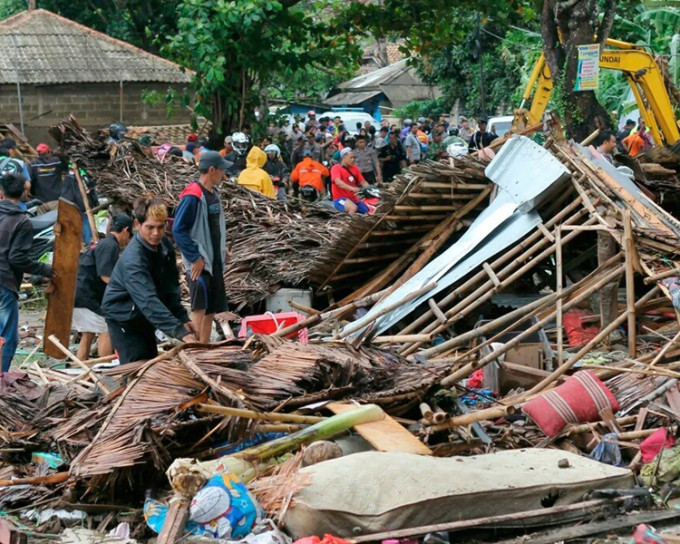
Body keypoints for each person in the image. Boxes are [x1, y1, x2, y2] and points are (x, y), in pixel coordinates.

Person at [102, 196, 196, 364]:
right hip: (124, 316)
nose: (156, 233)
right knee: (135, 366)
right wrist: (180, 332)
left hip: (144, 315)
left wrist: (182, 318)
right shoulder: (133, 259)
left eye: (160, 227)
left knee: (150, 362)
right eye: (150, 227)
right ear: (137, 225)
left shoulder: (164, 245)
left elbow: (170, 288)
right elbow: (148, 300)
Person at [173, 152, 229, 344]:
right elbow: (178, 229)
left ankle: (204, 348)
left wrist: (223, 249)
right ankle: (194, 350)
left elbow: (215, 227)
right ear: (212, 170)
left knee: (211, 309)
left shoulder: (214, 195)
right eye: (221, 170)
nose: (224, 174)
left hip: (214, 261)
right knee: (199, 308)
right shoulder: (193, 196)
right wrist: (195, 257)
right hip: (200, 263)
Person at [0, 173, 53, 373]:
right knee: (7, 337)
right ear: (23, 193)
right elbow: (17, 259)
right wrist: (44, 269)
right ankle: (2, 381)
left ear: (2, 192)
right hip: (4, 281)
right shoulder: (21, 221)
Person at [73, 214, 133, 361]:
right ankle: (105, 367)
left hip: (78, 293)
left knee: (88, 333)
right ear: (125, 230)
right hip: (86, 296)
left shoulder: (103, 243)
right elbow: (105, 275)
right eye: (130, 235)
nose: (129, 240)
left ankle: (82, 368)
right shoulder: (110, 245)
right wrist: (126, 290)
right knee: (106, 329)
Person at [61, 162, 98, 244]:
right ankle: (90, 245)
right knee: (86, 228)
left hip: (75, 206)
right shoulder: (80, 175)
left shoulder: (70, 176)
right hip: (79, 207)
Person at [331, 148, 370, 214]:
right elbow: (338, 182)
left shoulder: (355, 168)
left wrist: (370, 189)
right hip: (340, 199)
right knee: (353, 208)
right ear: (344, 157)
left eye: (354, 158)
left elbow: (363, 182)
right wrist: (351, 188)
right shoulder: (336, 168)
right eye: (351, 158)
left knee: (367, 212)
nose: (353, 160)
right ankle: (348, 224)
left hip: (354, 198)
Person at [29, 144, 64, 211]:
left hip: (40, 202)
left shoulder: (33, 164)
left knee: (42, 220)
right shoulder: (56, 161)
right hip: (56, 200)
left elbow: (29, 180)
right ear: (48, 152)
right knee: (57, 220)